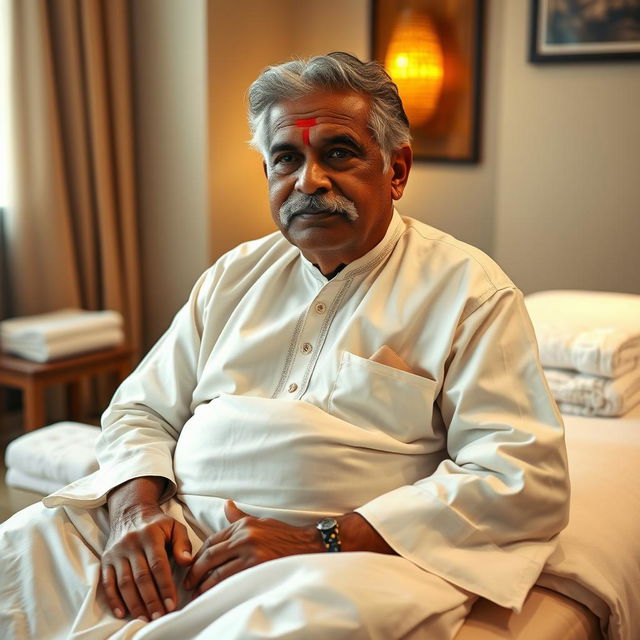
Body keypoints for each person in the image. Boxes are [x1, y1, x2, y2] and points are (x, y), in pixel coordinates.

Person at [0, 52, 569, 639]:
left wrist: (317, 539)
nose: (309, 181)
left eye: (339, 153)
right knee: (20, 551)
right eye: (287, 158)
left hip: (334, 559)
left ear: (396, 170)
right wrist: (134, 513)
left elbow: (522, 476)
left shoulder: (469, 292)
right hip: (170, 531)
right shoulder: (233, 276)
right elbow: (142, 409)